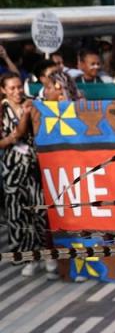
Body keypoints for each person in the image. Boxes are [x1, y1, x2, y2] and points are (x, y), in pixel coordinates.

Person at [0, 73, 56, 279]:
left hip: (33, 167)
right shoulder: (2, 109)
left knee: (39, 212)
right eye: (12, 88)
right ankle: (29, 257)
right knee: (19, 214)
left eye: (18, 87)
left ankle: (47, 255)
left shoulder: (33, 104)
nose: (17, 92)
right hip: (12, 169)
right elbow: (5, 140)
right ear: (4, 90)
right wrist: (14, 135)